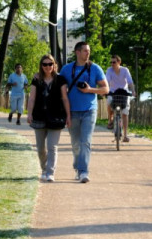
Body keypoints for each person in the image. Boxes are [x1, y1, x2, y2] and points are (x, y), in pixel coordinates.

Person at [58, 42, 108, 183]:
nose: (88, 53)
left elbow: (106, 89)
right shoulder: (66, 69)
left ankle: (83, 171)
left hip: (89, 110)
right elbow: (60, 89)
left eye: (89, 51)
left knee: (85, 141)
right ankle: (78, 166)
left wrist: (90, 90)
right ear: (77, 52)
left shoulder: (95, 68)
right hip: (72, 111)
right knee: (75, 143)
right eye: (85, 51)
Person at [27, 54, 70, 182]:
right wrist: (29, 113)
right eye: (45, 64)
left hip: (56, 116)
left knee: (52, 147)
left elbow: (65, 98)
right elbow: (32, 97)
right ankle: (44, 169)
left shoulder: (60, 79)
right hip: (39, 116)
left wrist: (68, 116)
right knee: (40, 148)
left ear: (54, 65)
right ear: (41, 66)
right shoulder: (36, 79)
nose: (47, 67)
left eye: (50, 64)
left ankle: (50, 172)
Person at [105, 55, 136, 142]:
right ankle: (110, 119)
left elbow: (130, 82)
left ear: (119, 62)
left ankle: (125, 135)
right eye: (111, 62)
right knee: (108, 102)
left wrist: (133, 91)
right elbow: (106, 81)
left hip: (123, 93)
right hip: (113, 92)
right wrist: (105, 90)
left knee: (125, 113)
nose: (112, 64)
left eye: (114, 62)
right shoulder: (109, 70)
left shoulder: (125, 70)